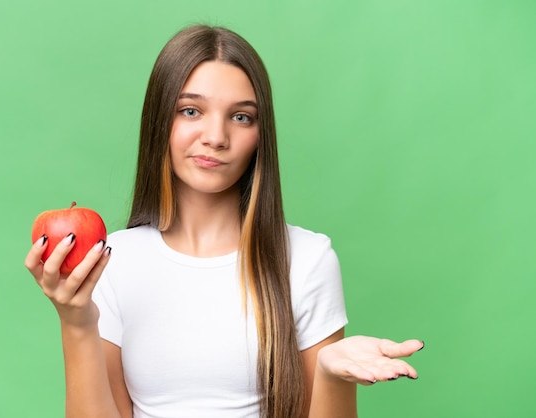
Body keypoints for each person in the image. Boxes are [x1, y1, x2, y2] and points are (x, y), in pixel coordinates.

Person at [25, 24, 424, 418]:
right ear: (159, 121)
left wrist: (332, 377)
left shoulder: (306, 258)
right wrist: (76, 323)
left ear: (259, 135)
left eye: (241, 117)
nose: (216, 136)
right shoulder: (114, 259)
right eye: (191, 110)